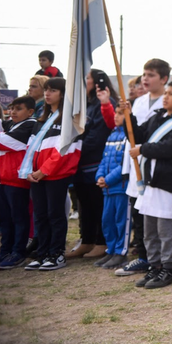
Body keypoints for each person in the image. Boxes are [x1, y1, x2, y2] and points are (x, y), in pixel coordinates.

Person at [126, 80, 172, 289]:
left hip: (168, 181)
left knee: (166, 228)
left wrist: (143, 150)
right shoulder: (158, 117)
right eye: (165, 93)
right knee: (149, 228)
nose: (166, 97)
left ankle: (168, 267)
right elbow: (138, 135)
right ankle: (154, 266)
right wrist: (128, 117)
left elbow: (170, 148)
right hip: (151, 180)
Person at [116, 58, 170, 277]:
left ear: (164, 79)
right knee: (139, 211)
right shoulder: (138, 101)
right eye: (144, 74)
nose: (145, 79)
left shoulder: (168, 101)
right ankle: (143, 256)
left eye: (151, 75)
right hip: (135, 160)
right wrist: (126, 113)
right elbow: (134, 132)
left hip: (154, 163)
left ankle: (164, 257)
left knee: (157, 213)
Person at [24, 78, 82, 271]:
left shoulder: (70, 120)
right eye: (46, 90)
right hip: (36, 176)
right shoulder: (42, 119)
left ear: (63, 94)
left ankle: (56, 254)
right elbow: (30, 149)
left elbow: (64, 151)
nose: (47, 93)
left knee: (55, 215)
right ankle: (42, 254)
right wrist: (29, 172)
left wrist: (44, 171)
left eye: (53, 90)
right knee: (40, 216)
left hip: (56, 175)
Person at [0, 96, 38, 270]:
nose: (13, 112)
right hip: (1, 178)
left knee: (18, 218)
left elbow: (6, 141)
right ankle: (5, 251)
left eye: (18, 109)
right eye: (12, 108)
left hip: (16, 180)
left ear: (30, 112)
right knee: (4, 218)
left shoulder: (31, 125)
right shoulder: (10, 125)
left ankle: (18, 252)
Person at [66, 69, 115, 259]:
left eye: (87, 78)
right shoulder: (84, 105)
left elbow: (98, 136)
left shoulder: (105, 103)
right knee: (84, 204)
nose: (83, 81)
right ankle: (86, 241)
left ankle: (102, 242)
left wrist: (76, 149)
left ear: (97, 83)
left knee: (98, 204)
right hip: (80, 163)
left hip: (95, 162)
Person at [94, 87, 130, 270]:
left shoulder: (128, 136)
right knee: (107, 221)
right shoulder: (112, 135)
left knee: (120, 221)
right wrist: (100, 176)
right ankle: (110, 250)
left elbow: (124, 165)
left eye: (119, 113)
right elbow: (104, 159)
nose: (116, 116)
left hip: (120, 187)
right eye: (115, 113)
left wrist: (108, 178)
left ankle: (121, 253)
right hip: (107, 188)